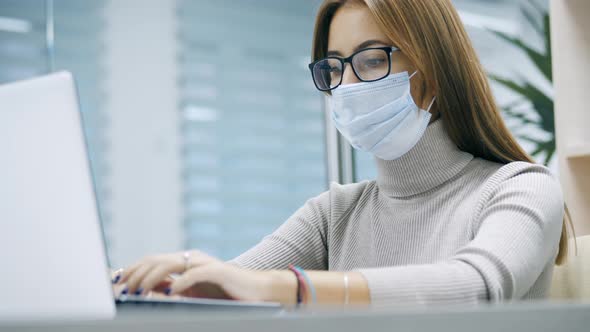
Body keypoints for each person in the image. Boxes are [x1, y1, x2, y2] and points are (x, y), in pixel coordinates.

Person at [113, 0, 571, 308]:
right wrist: (172, 278)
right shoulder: (335, 214)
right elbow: (229, 286)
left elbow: (477, 287)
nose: (347, 87)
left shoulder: (520, 187)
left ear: (433, 68)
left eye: (372, 59)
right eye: (333, 68)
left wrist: (289, 287)